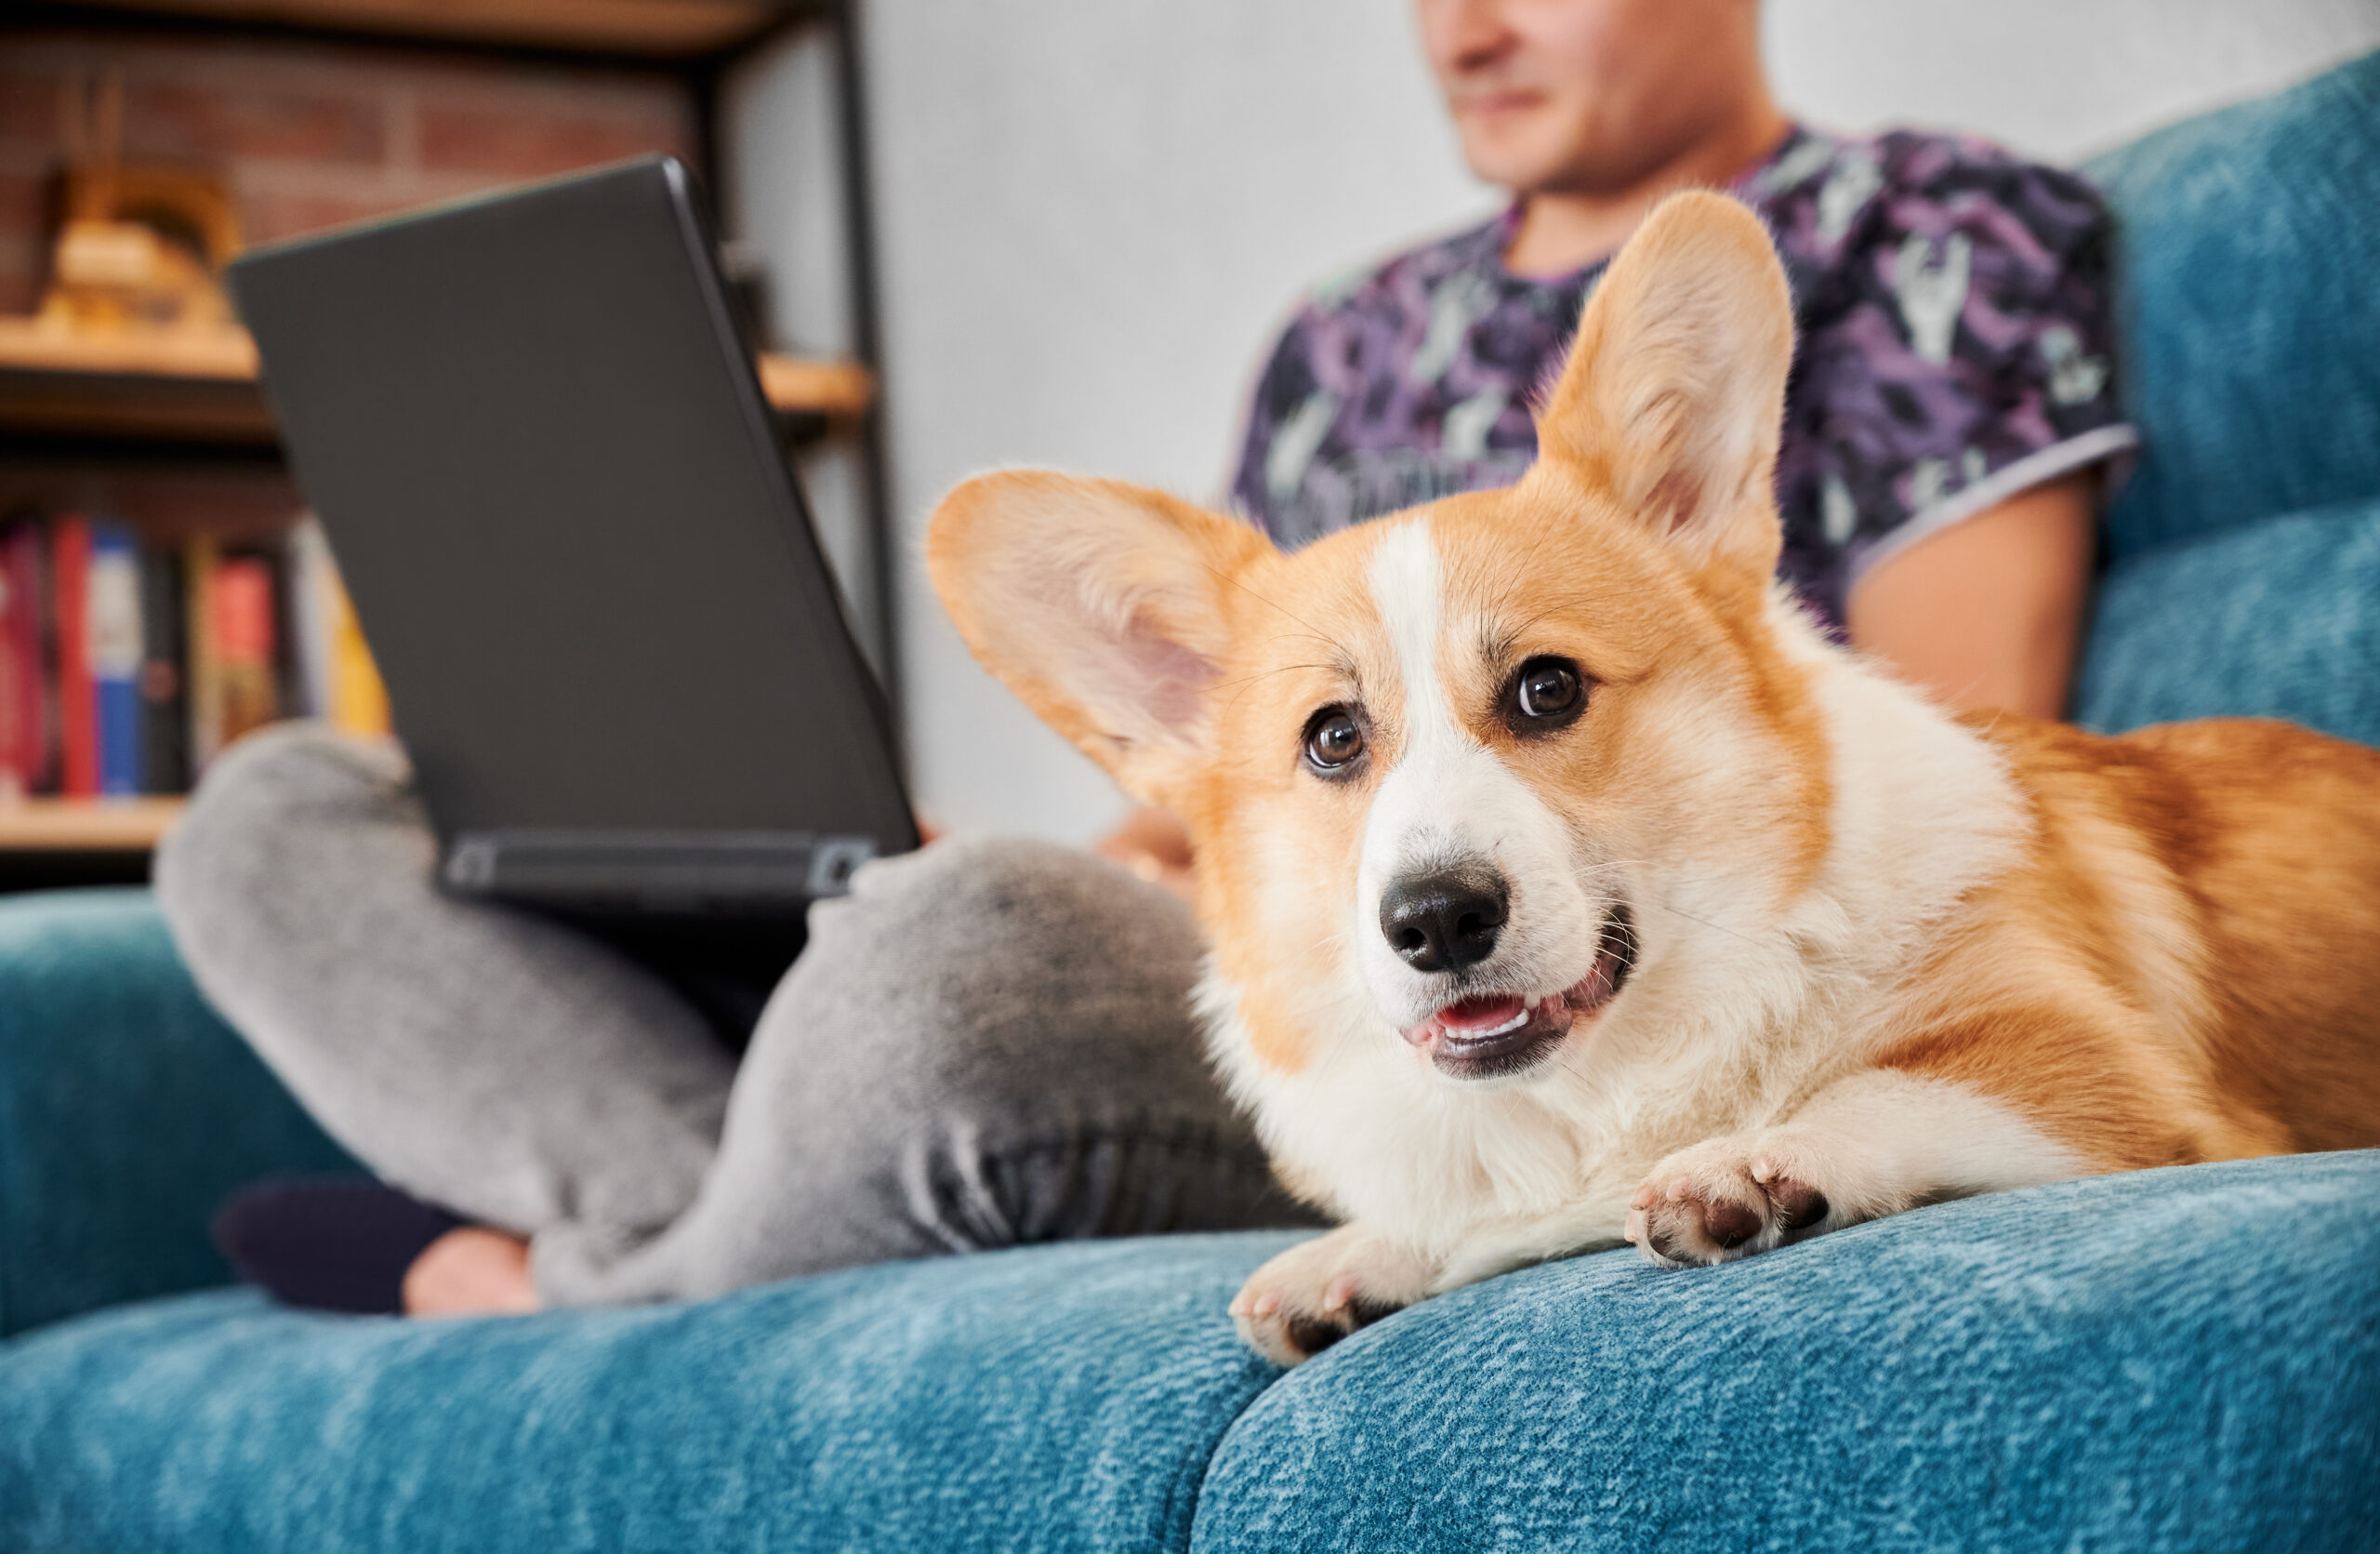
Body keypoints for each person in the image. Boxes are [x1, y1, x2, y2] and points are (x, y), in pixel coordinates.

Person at [172, 0, 2130, 1318]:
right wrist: (1002, 872)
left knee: (941, 967)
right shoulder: (1346, 335)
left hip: (1638, 973)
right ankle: (706, 1183)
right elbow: (1226, 778)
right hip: (1268, 943)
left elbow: (1962, 752)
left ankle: (571, 1275)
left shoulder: (1932, 235)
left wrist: (978, 934)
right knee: (271, 817)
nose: (1463, 23)